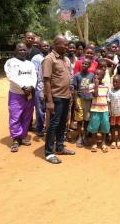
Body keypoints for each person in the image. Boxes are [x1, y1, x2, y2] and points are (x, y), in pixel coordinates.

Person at [42, 35, 75, 164]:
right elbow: (46, 81)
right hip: (56, 98)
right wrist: (49, 101)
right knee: (53, 125)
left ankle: (60, 147)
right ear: (56, 44)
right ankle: (49, 153)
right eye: (65, 44)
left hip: (66, 96)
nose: (67, 47)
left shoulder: (65, 59)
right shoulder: (49, 59)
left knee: (62, 124)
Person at [4, 43, 37, 152]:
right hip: (16, 94)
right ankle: (15, 139)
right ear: (15, 51)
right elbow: (10, 76)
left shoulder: (30, 64)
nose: (23, 51)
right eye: (20, 49)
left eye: (24, 50)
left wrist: (31, 86)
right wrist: (23, 87)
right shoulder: (10, 62)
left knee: (27, 116)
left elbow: (34, 76)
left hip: (28, 94)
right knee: (15, 116)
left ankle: (22, 136)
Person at [72, 59, 94, 148]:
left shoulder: (92, 75)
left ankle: (85, 136)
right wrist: (75, 103)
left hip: (88, 100)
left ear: (89, 66)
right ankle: (79, 137)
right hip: (79, 99)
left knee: (86, 119)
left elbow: (93, 88)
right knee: (79, 119)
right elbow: (75, 89)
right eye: (83, 63)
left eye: (86, 64)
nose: (84, 65)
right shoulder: (77, 75)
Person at [88, 69, 110, 153]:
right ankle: (94, 143)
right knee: (94, 127)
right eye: (95, 74)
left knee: (104, 126)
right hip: (95, 109)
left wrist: (109, 109)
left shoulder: (106, 86)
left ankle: (103, 143)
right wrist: (96, 84)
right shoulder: (91, 86)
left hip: (104, 110)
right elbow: (95, 94)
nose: (96, 76)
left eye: (98, 74)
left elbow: (107, 99)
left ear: (103, 77)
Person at [31, 40, 50, 137]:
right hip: (40, 86)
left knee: (49, 109)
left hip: (50, 87)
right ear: (39, 47)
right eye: (44, 46)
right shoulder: (36, 58)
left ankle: (48, 127)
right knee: (40, 110)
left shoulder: (51, 57)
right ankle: (40, 128)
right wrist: (40, 89)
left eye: (47, 45)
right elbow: (35, 74)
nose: (46, 47)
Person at [107, 75, 120, 149]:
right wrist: (109, 110)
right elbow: (108, 101)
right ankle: (113, 140)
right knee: (112, 126)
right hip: (113, 113)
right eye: (113, 82)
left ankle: (118, 140)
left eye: (116, 82)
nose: (114, 83)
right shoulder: (110, 91)